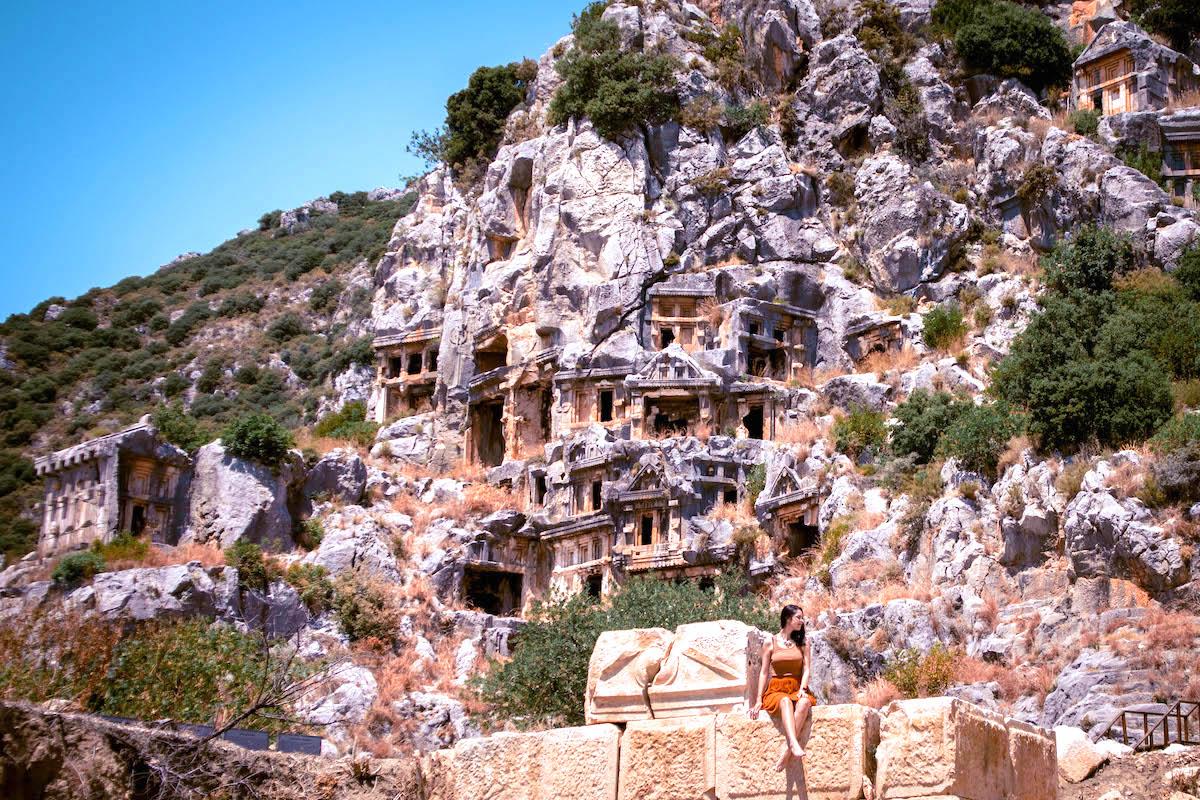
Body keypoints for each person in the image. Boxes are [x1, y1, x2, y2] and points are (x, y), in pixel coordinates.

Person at [748, 603, 816, 771]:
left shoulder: (803, 642)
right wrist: (758, 700)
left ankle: (788, 751)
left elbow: (807, 668)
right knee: (785, 701)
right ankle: (793, 744)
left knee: (805, 703)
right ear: (788, 618)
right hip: (776, 689)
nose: (802, 621)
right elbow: (764, 672)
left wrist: (802, 689)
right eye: (798, 617)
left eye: (802, 618)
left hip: (797, 687)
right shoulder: (770, 642)